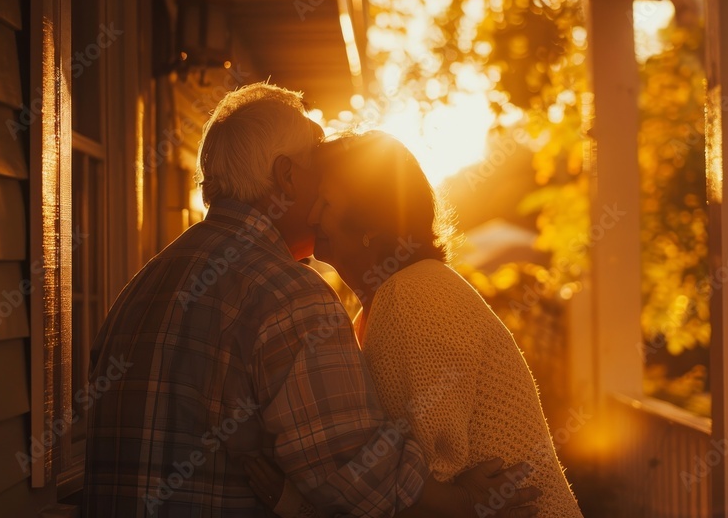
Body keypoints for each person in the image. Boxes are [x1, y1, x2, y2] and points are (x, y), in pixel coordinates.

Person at [82, 83, 540, 518]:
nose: (324, 193)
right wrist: (462, 503)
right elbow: (355, 472)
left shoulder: (142, 286)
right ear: (286, 177)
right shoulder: (286, 294)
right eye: (317, 172)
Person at [247, 130, 584, 517]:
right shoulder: (387, 300)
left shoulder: (411, 296)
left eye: (326, 202)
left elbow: (424, 484)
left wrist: (293, 504)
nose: (311, 215)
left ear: (372, 224)